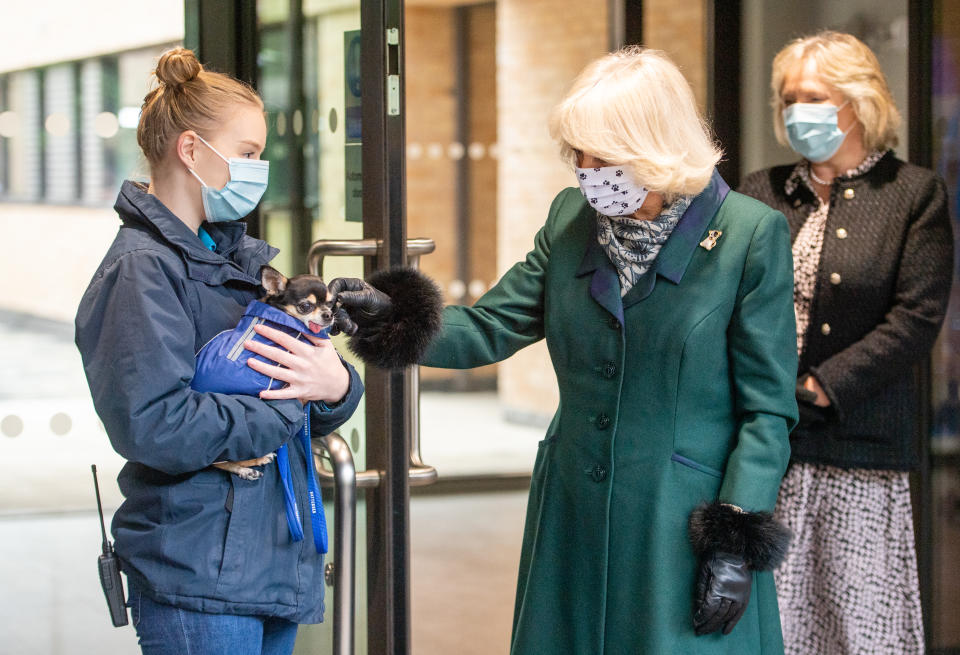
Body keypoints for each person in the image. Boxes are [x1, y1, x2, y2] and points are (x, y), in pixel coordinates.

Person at [334, 47, 798, 654]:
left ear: (654, 147)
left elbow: (768, 409)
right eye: (577, 154)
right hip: (572, 508)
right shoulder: (571, 218)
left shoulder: (748, 236)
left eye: (602, 156)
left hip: (680, 521)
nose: (585, 169)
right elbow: (492, 325)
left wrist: (736, 534)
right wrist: (389, 314)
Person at [74, 48, 367, 655]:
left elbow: (309, 385)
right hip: (198, 572)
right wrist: (287, 410)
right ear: (190, 150)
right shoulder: (141, 271)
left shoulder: (238, 264)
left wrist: (338, 386)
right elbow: (156, 423)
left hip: (265, 564)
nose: (260, 170)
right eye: (249, 154)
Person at [737, 31, 953, 655]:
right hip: (767, 447)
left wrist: (822, 388)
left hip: (859, 447)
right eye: (787, 98)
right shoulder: (761, 191)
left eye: (812, 96)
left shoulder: (913, 195)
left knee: (855, 624)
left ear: (857, 102)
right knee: (773, 621)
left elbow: (916, 318)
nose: (795, 110)